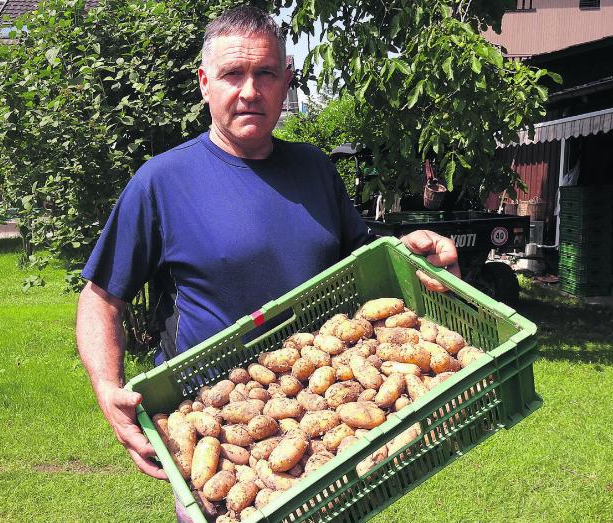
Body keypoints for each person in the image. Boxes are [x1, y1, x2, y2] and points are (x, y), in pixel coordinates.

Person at [76, 5, 460, 519]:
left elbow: (366, 264)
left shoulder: (315, 168)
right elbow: (100, 298)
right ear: (205, 82)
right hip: (220, 428)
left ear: (287, 83)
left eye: (266, 74)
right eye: (233, 74)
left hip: (324, 431)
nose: (250, 91)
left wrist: (418, 258)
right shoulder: (162, 182)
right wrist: (107, 389)